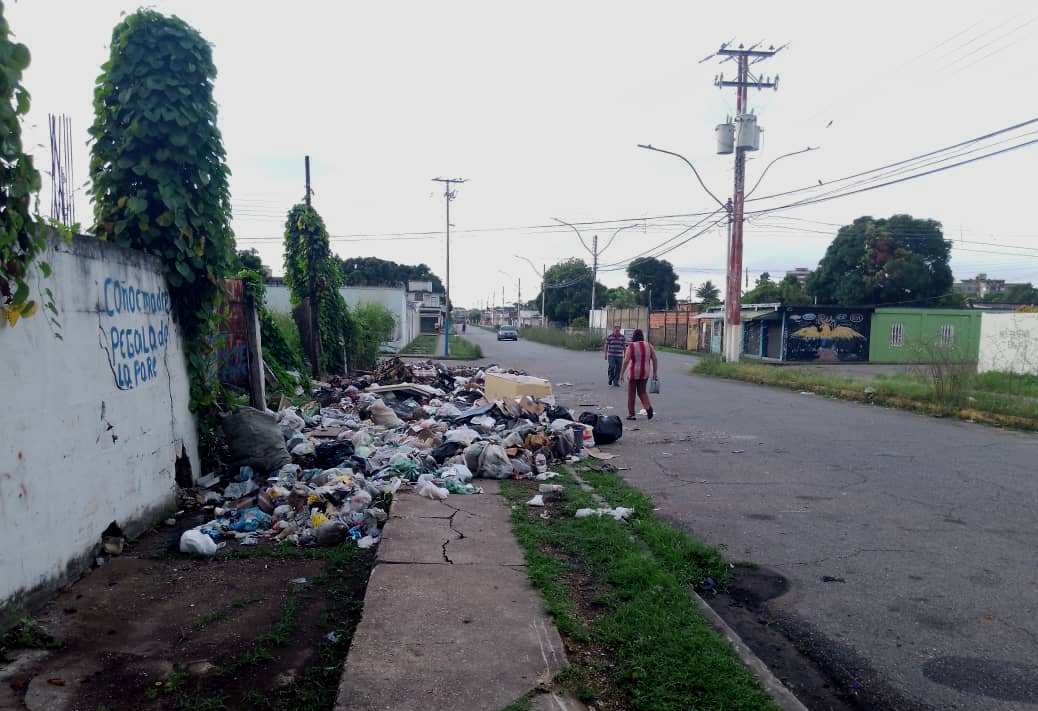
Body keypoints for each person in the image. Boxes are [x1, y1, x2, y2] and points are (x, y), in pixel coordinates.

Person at [619, 329, 656, 420]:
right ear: (642, 336)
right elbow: (655, 359)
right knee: (642, 392)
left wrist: (621, 373)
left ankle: (632, 414)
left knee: (631, 394)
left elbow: (626, 361)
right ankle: (648, 408)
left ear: (634, 336)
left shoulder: (631, 346)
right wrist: (655, 372)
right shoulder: (649, 345)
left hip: (633, 373)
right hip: (645, 372)